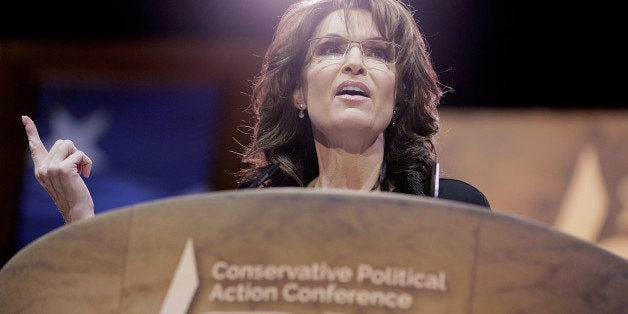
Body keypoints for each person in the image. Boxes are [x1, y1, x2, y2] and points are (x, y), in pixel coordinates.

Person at [22, 0, 490, 225]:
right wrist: (81, 217)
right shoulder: (249, 218)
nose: (355, 61)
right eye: (329, 48)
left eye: (378, 52)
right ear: (298, 93)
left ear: (400, 93)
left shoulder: (453, 210)